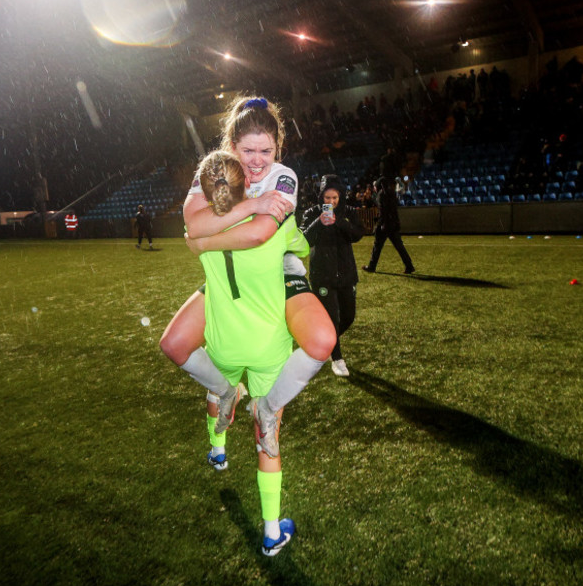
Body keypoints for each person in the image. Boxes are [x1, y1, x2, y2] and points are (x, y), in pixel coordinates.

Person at [159, 96, 336, 446]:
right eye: (248, 152)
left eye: (265, 152)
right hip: (231, 272)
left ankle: (267, 408)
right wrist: (254, 204)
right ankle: (226, 392)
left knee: (320, 341)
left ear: (278, 149)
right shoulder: (213, 169)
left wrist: (207, 242)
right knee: (174, 344)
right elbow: (192, 224)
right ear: (232, 146)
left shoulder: (284, 176)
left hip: (278, 271)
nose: (257, 163)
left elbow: (258, 234)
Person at [185, 150, 309, 556]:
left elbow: (194, 223)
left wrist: (199, 240)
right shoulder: (272, 223)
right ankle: (272, 531)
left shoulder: (204, 231)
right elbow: (298, 249)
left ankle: (218, 451)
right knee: (267, 435)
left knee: (215, 389)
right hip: (269, 342)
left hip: (223, 335)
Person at [301, 174, 364, 377]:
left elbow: (358, 234)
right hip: (322, 276)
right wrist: (319, 222)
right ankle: (337, 359)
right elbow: (304, 241)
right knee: (331, 318)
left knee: (348, 316)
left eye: (335, 198)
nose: (331, 202)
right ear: (321, 197)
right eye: (327, 198)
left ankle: (326, 343)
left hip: (346, 273)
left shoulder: (349, 212)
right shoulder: (311, 213)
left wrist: (340, 222)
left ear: (340, 197)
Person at [362, 177, 415, 274]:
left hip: (384, 225)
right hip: (393, 224)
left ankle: (371, 266)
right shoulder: (392, 193)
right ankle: (409, 265)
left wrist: (381, 222)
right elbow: (393, 210)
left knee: (377, 247)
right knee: (399, 246)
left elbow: (383, 210)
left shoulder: (381, 194)